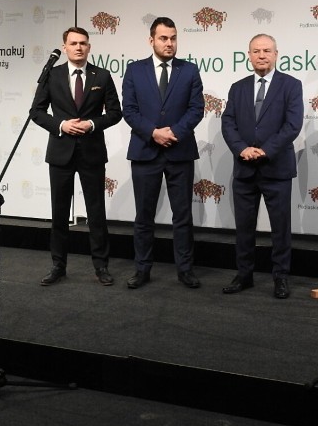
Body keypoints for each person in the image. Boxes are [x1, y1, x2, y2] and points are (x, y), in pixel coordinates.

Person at [30, 26, 123, 287]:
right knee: (59, 213)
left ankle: (101, 266)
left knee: (96, 212)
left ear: (89, 47)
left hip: (92, 152)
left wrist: (92, 124)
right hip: (60, 152)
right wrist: (61, 125)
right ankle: (58, 266)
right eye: (73, 43)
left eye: (83, 43)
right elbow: (36, 112)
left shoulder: (102, 76)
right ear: (65, 46)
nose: (78, 47)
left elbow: (116, 113)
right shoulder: (53, 75)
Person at [121, 16, 205, 289]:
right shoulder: (134, 71)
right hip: (145, 151)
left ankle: (185, 270)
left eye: (173, 38)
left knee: (182, 216)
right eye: (164, 38)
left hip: (179, 152)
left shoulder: (189, 70)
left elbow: (196, 109)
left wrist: (175, 132)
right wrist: (154, 132)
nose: (170, 43)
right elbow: (129, 110)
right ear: (151, 40)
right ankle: (142, 269)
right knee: (143, 217)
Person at [220, 34, 304, 299]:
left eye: (267, 50)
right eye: (256, 51)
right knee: (244, 227)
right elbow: (228, 122)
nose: (261, 55)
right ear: (249, 55)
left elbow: (292, 125)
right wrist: (242, 149)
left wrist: (265, 150)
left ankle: (280, 277)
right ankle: (244, 275)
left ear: (277, 54)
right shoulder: (238, 87)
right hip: (244, 168)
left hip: (276, 168)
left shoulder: (291, 85)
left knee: (280, 228)